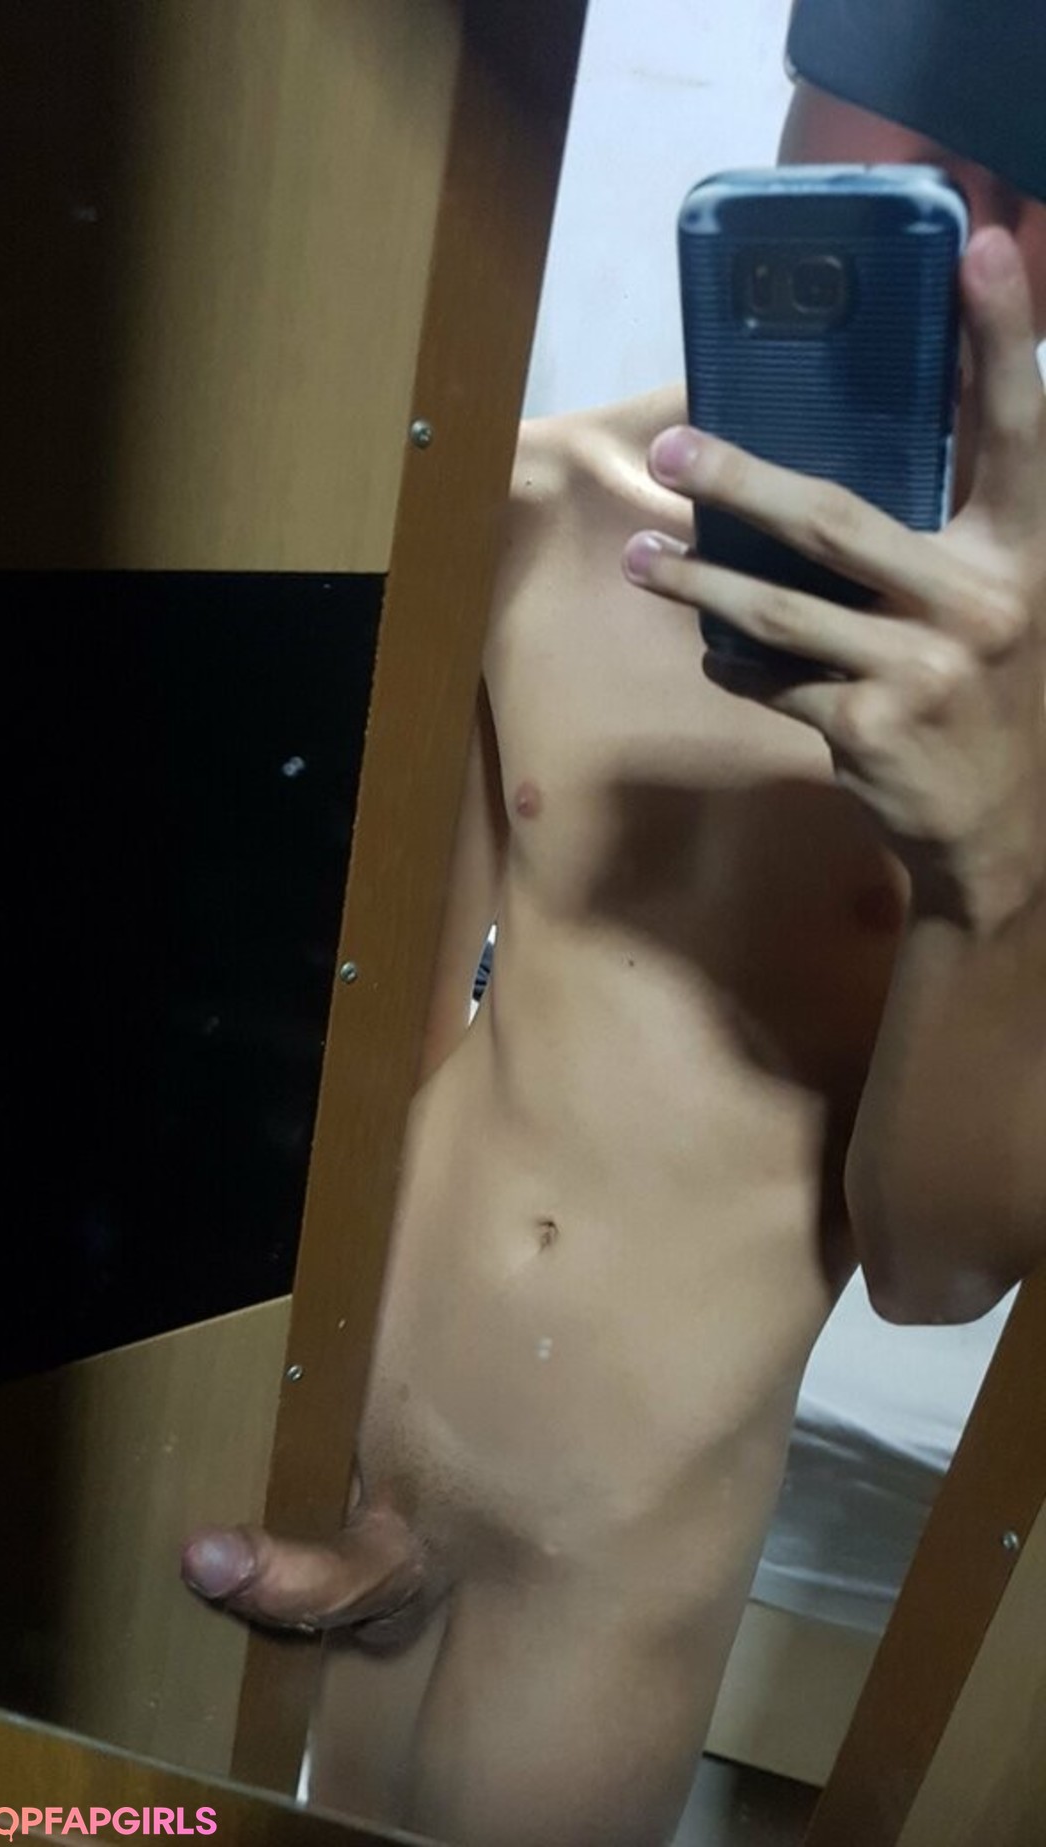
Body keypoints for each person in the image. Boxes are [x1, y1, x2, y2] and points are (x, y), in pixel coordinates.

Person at [182, 12, 1046, 1844]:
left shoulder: (1035, 689)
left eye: (1026, 192)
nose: (974, 230)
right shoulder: (529, 505)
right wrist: (297, 1398)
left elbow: (938, 1270)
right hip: (354, 1418)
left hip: (620, 1550)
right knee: (127, 1820)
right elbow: (381, 1036)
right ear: (790, 121)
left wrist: (989, 872)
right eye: (910, 165)